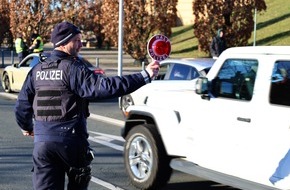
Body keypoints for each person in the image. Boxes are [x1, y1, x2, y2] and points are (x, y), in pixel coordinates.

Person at [14, 21, 160, 190]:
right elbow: (106, 87)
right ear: (63, 42)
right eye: (76, 40)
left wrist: (27, 126)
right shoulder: (73, 69)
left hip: (43, 144)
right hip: (71, 142)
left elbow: (22, 104)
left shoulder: (37, 70)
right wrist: (144, 76)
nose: (81, 44)